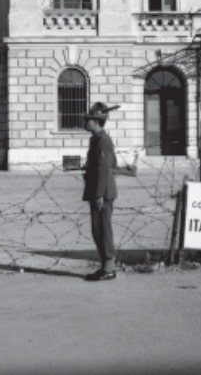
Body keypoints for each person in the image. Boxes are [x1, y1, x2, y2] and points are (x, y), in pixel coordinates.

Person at [82, 102, 119, 281]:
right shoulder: (96, 139)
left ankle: (109, 268)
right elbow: (110, 164)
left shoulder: (103, 140)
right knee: (97, 230)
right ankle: (105, 266)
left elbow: (105, 169)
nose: (85, 121)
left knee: (103, 230)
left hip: (102, 193)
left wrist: (98, 195)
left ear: (96, 121)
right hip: (98, 191)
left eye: (88, 119)